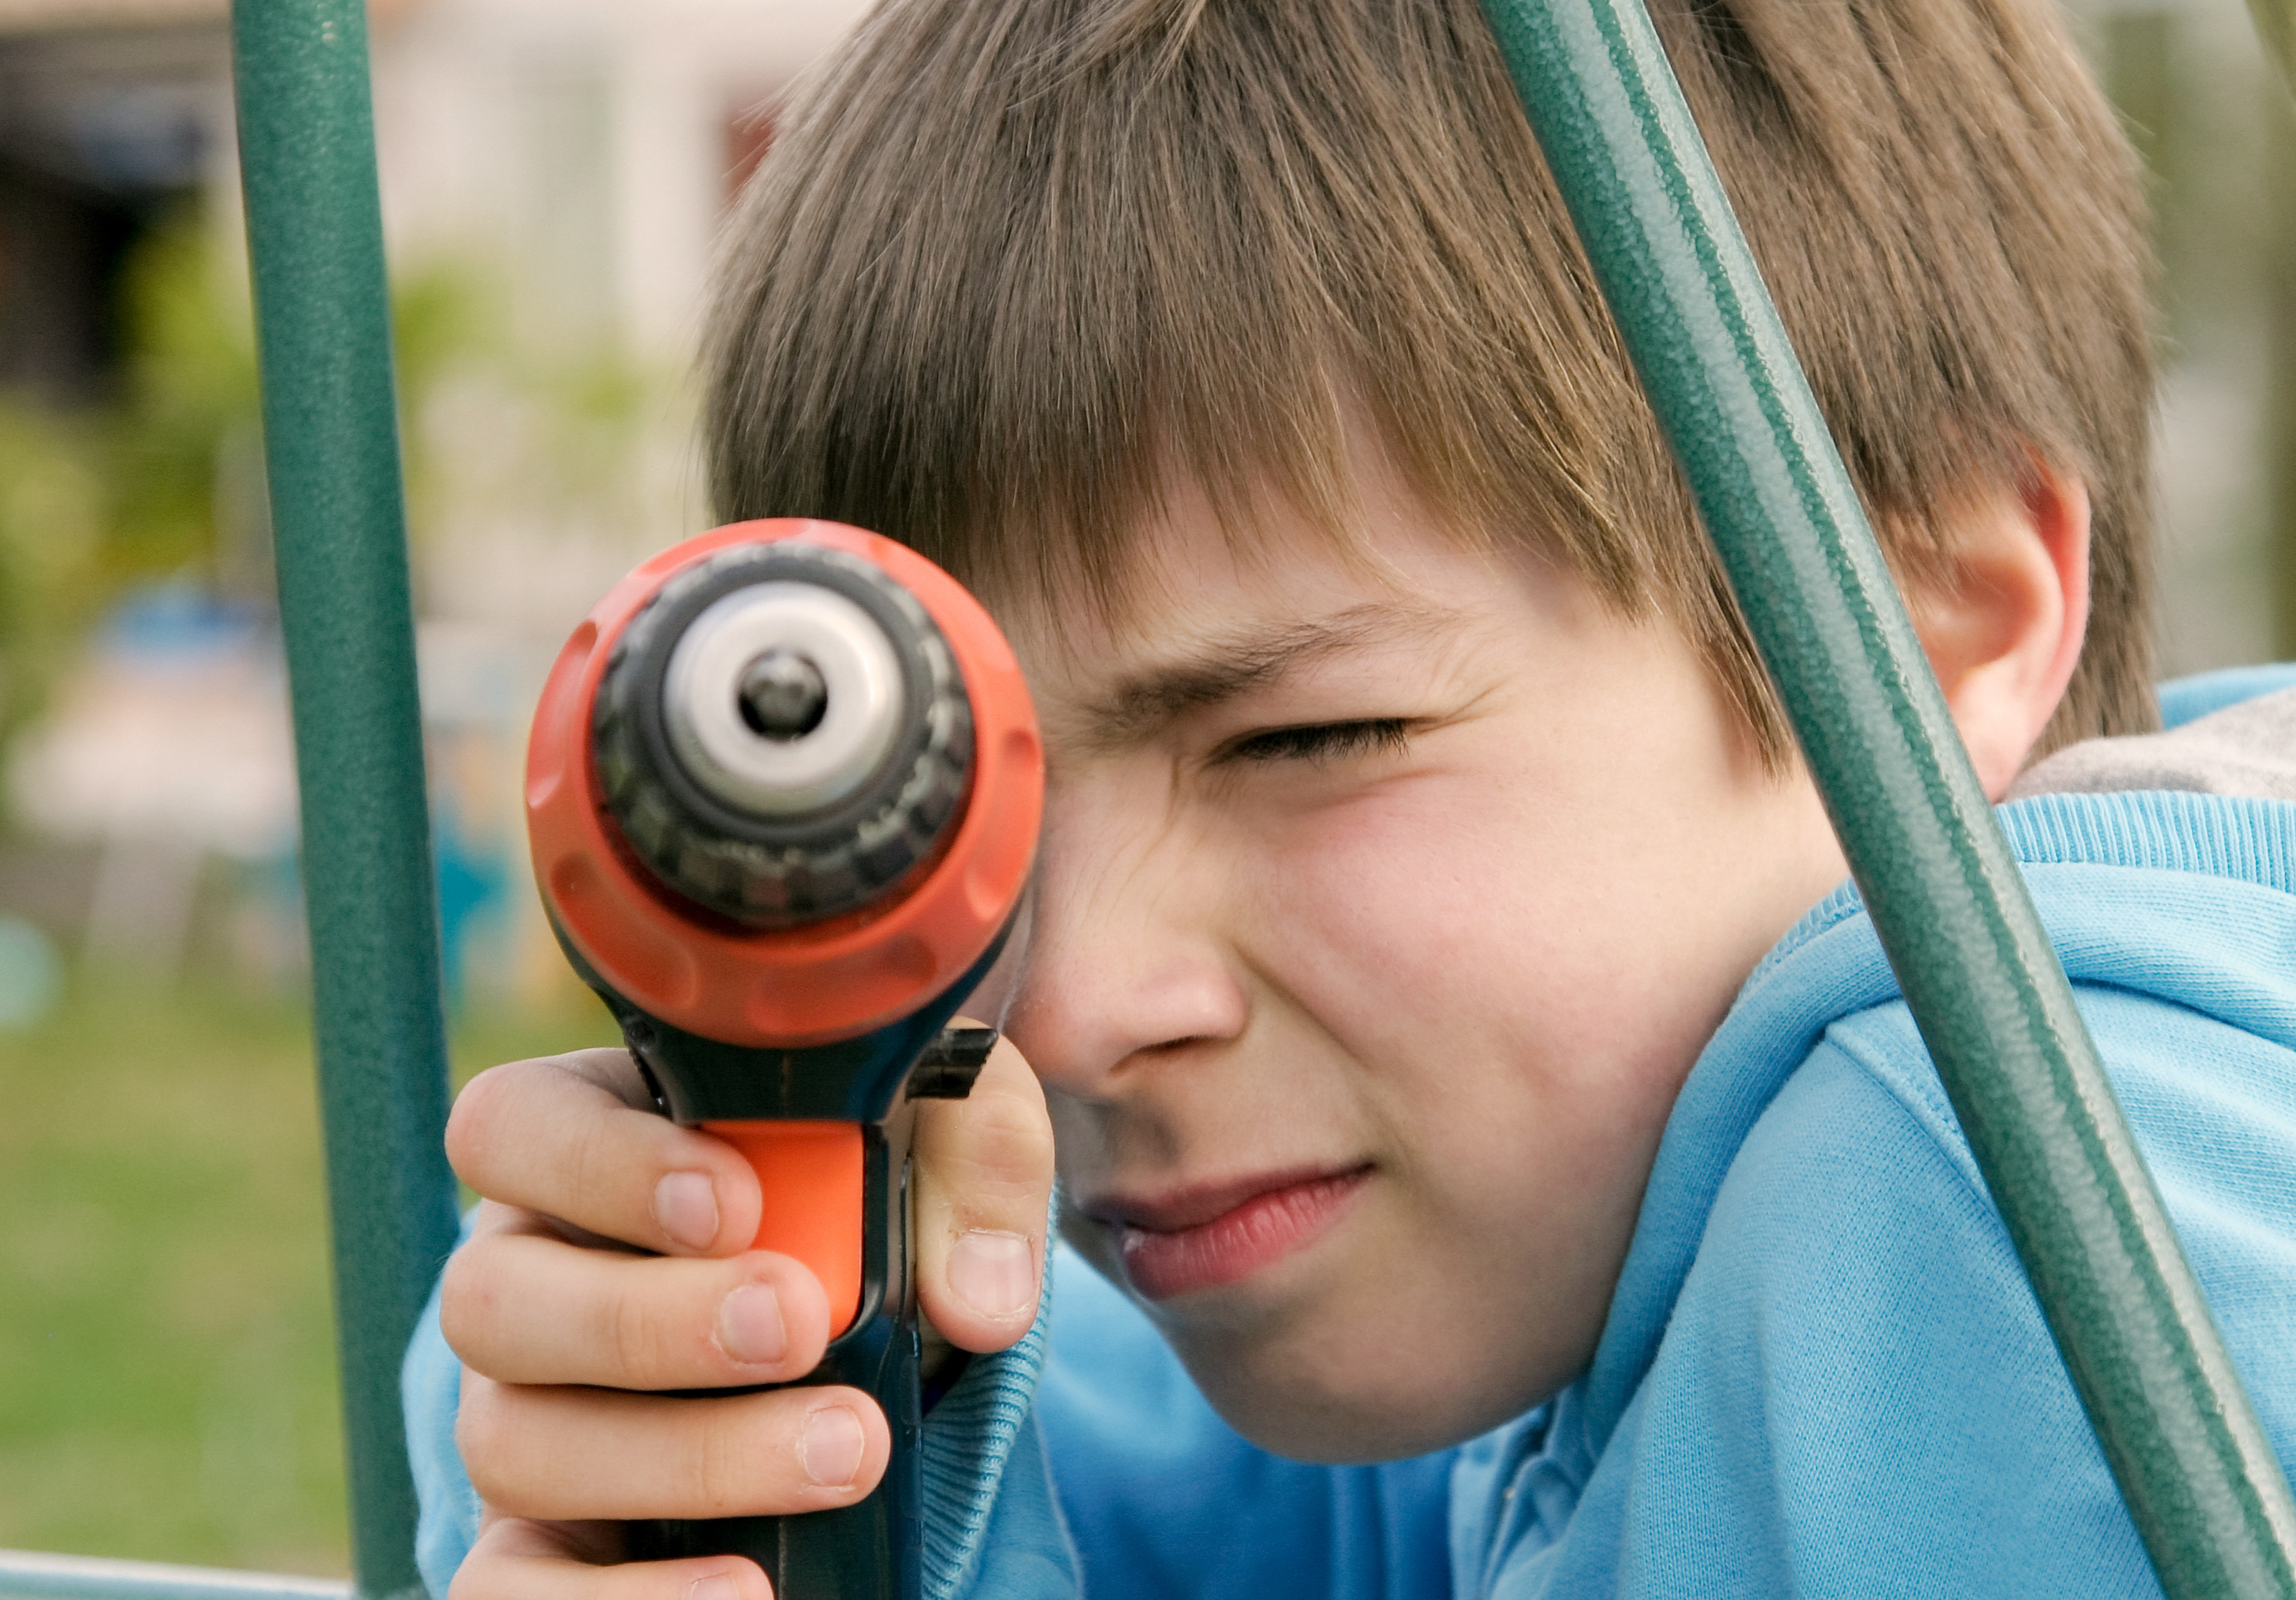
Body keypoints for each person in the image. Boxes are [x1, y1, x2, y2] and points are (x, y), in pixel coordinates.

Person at [402, 0, 2296, 1594]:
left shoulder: (1994, 1225)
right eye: (983, 791)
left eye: (1300, 745)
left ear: (1934, 625)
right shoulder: (1574, 1243)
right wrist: (719, 1345)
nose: (1066, 1012)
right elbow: (1172, 1479)